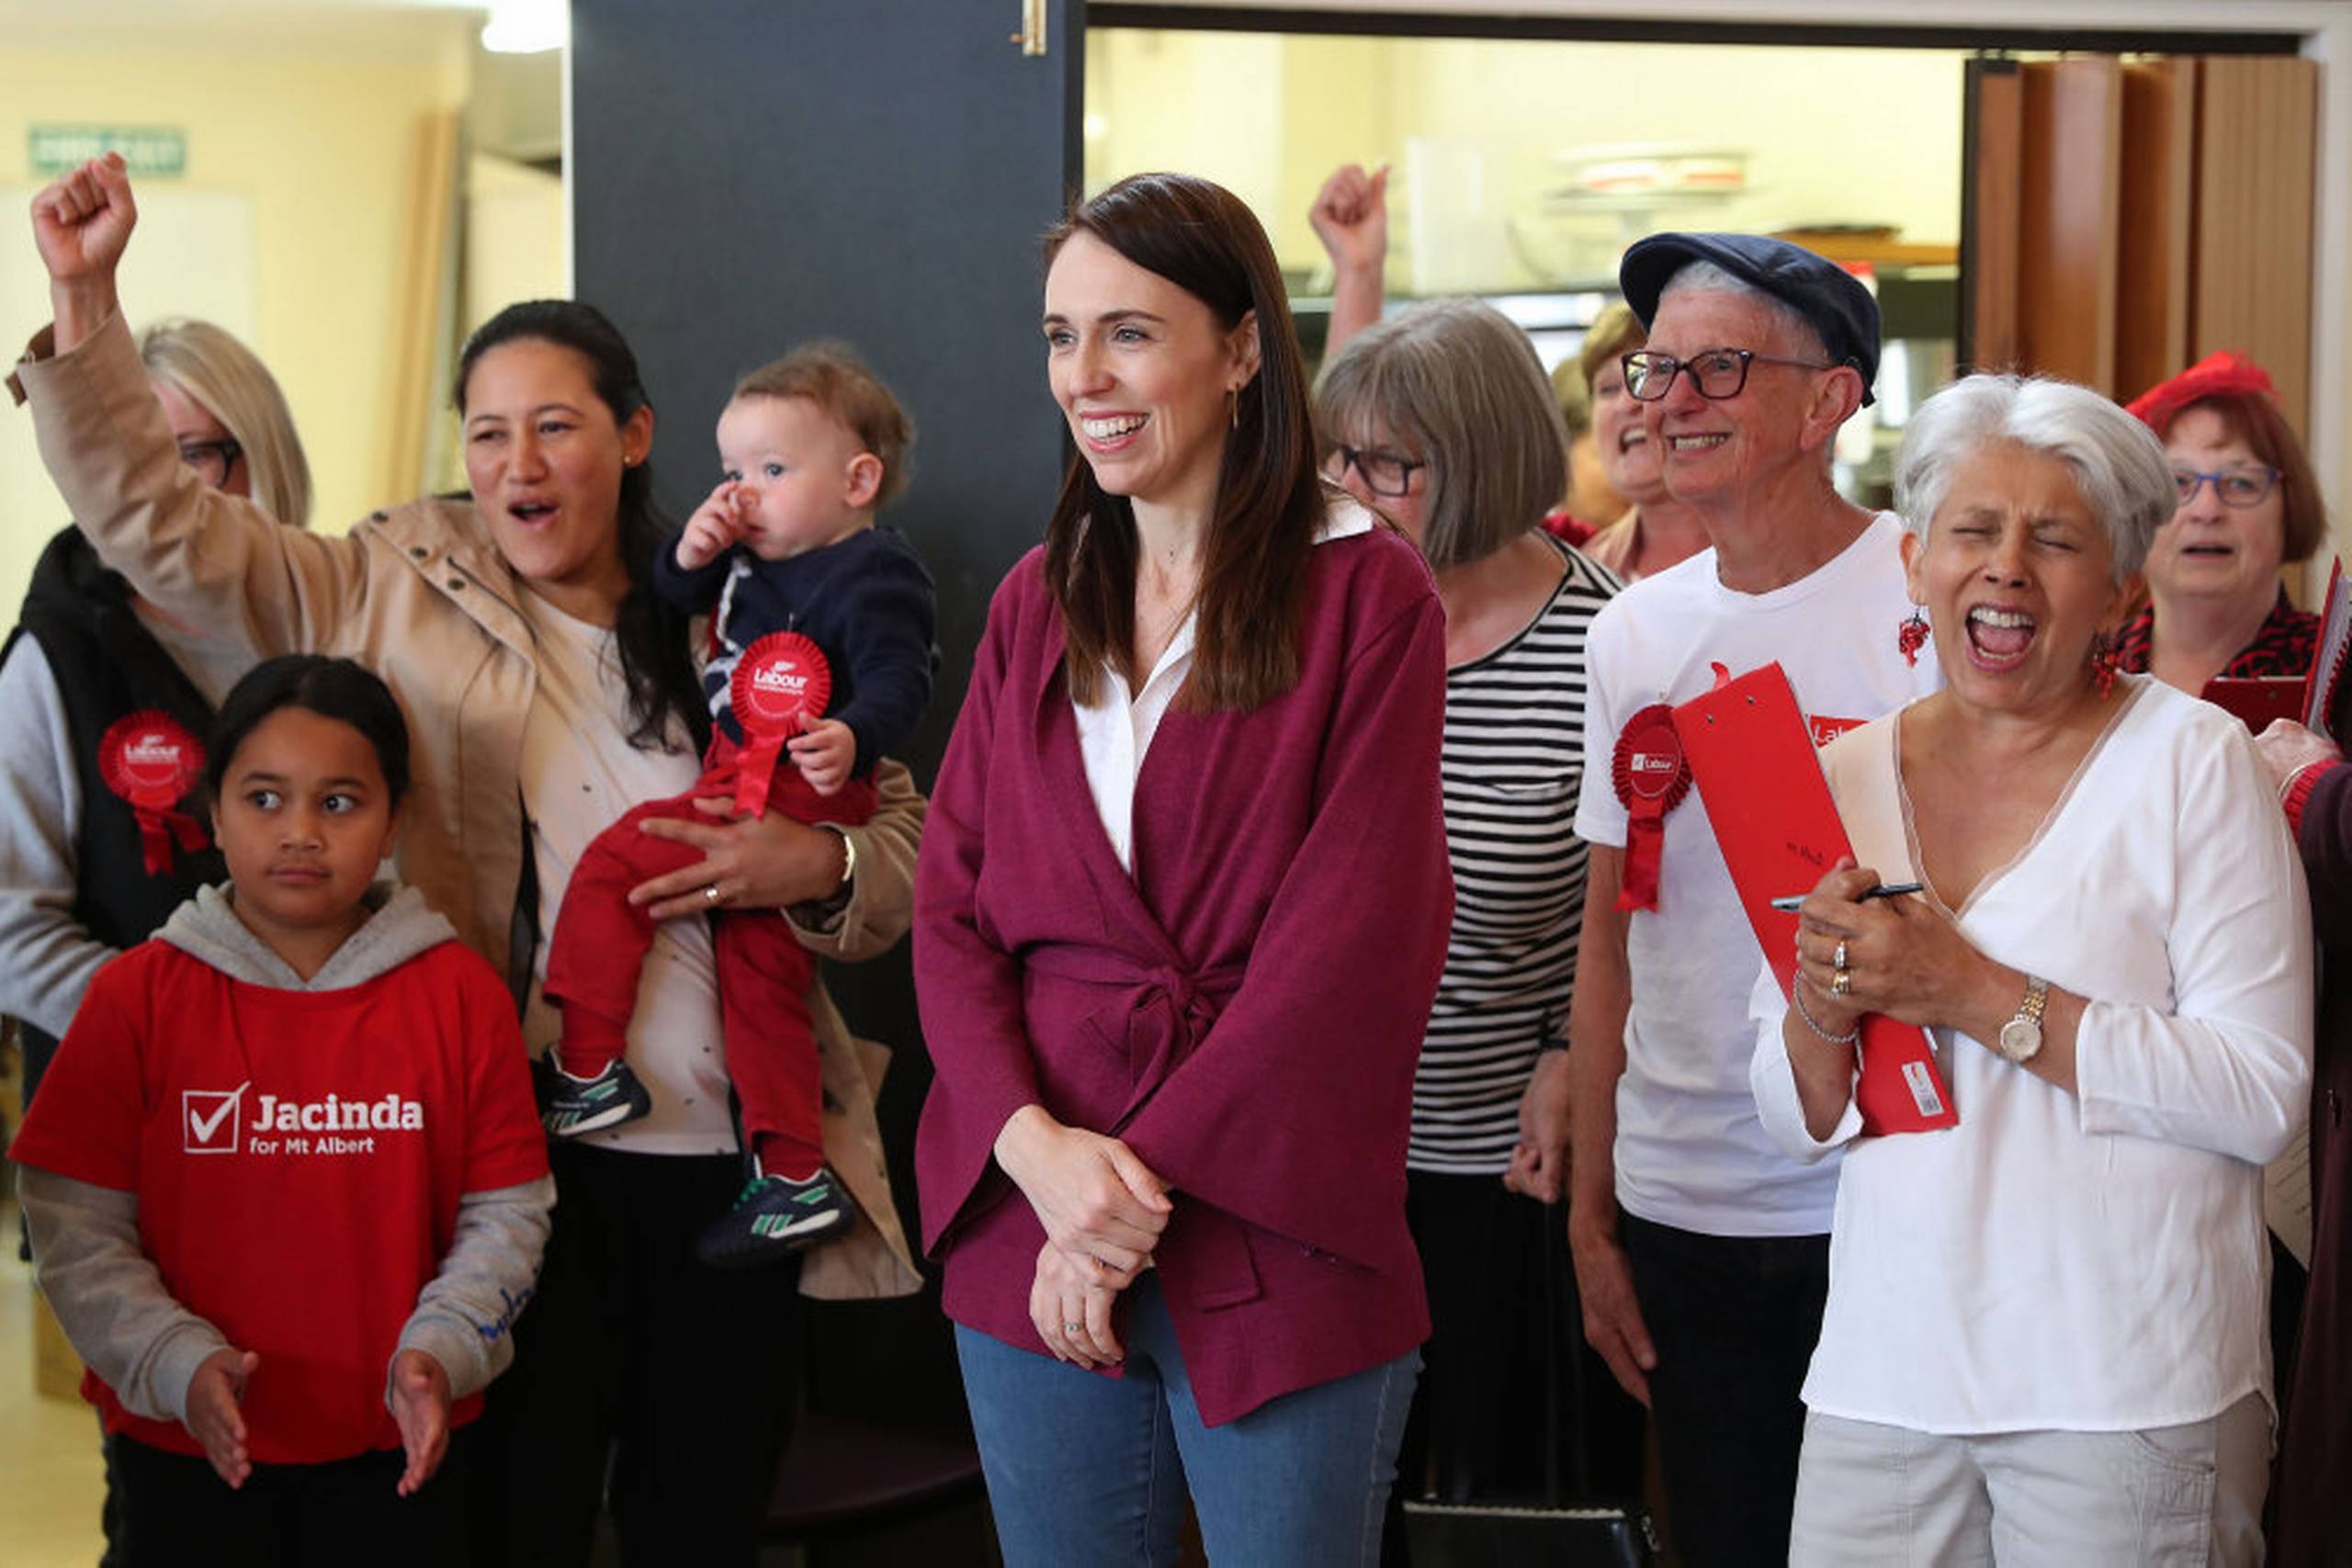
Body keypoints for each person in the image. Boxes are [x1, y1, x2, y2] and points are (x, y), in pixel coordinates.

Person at [20, 152, 925, 1567]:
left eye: (554, 426)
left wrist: (804, 867)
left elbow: (906, 850)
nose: (517, 463)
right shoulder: (388, 574)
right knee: (518, 1527)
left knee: (707, 1524)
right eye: (487, 431)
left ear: (633, 436)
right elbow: (161, 526)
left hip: (742, 1174)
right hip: (519, 1169)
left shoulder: (747, 605)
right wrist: (87, 301)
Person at [914, 170, 1453, 1565]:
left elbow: (1352, 945)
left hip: (1268, 1206)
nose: (1085, 375)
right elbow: (954, 913)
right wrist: (1037, 1158)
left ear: (1243, 349)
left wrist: (1113, 1207)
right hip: (1027, 1202)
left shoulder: (1367, 592)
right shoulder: (1039, 597)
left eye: (1130, 333)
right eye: (1058, 335)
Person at [1754, 374, 2310, 1566]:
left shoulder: (2195, 763)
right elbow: (1790, 1104)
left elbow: (2261, 1089)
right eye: (1973, 529)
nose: (2005, 566)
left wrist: (1976, 991)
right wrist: (1816, 1002)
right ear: (1914, 561)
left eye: (2054, 539)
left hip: (2129, 1387)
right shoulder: (1843, 772)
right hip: (1885, 1379)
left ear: (2118, 586)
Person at [12, 654, 555, 1565]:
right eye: (264, 799)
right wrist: (175, 1363)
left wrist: (444, 1350)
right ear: (213, 814)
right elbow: (75, 1228)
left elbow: (506, 1211)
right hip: (183, 1450)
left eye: (338, 802)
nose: (300, 831)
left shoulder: (459, 994)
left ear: (393, 823)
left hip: (401, 1452)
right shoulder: (134, 998)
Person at [1564, 231, 1933, 1568]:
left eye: (1717, 366)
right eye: (1658, 366)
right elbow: (1610, 936)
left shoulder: (1932, 592)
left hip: (1887, 1186)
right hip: (1683, 1200)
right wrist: (1591, 1215)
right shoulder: (1633, 630)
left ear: (1829, 401)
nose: (1668, 398)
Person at [1316, 297, 1638, 1510]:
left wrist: (1571, 1052)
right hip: (1318, 1156)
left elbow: (1654, 911)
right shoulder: (1309, 615)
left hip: (1501, 1167)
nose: (1350, 487)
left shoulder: (1607, 641)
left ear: (1486, 459)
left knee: (1493, 1497)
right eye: (1337, 454)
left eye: (1387, 463)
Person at [0, 313, 311, 1565]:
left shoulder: (324, 616)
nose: (171, 488)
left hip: (339, 1143)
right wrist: (201, 1034)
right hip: (148, 1146)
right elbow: (13, 924)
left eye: (206, 453)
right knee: (180, 1487)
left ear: (263, 458)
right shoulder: (52, 661)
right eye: (142, 451)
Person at [540, 342, 934, 1266]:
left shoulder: (875, 571)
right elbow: (669, 592)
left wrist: (856, 736)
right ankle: (792, 1175)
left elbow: (899, 674)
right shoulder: (753, 560)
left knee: (613, 867)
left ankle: (589, 1065)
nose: (742, 492)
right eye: (729, 471)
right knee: (762, 993)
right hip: (746, 773)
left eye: (770, 470)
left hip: (787, 784)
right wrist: (695, 544)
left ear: (857, 479)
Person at [2117, 351, 2325, 691]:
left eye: (2241, 482)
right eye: (2178, 483)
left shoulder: (2339, 676)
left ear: (2290, 507)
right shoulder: (2083, 673)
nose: (2207, 510)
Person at [1569, 302, 1711, 582]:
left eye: (1649, 376)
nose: (1626, 403)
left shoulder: (1776, 552)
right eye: (1608, 389)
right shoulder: (1585, 575)